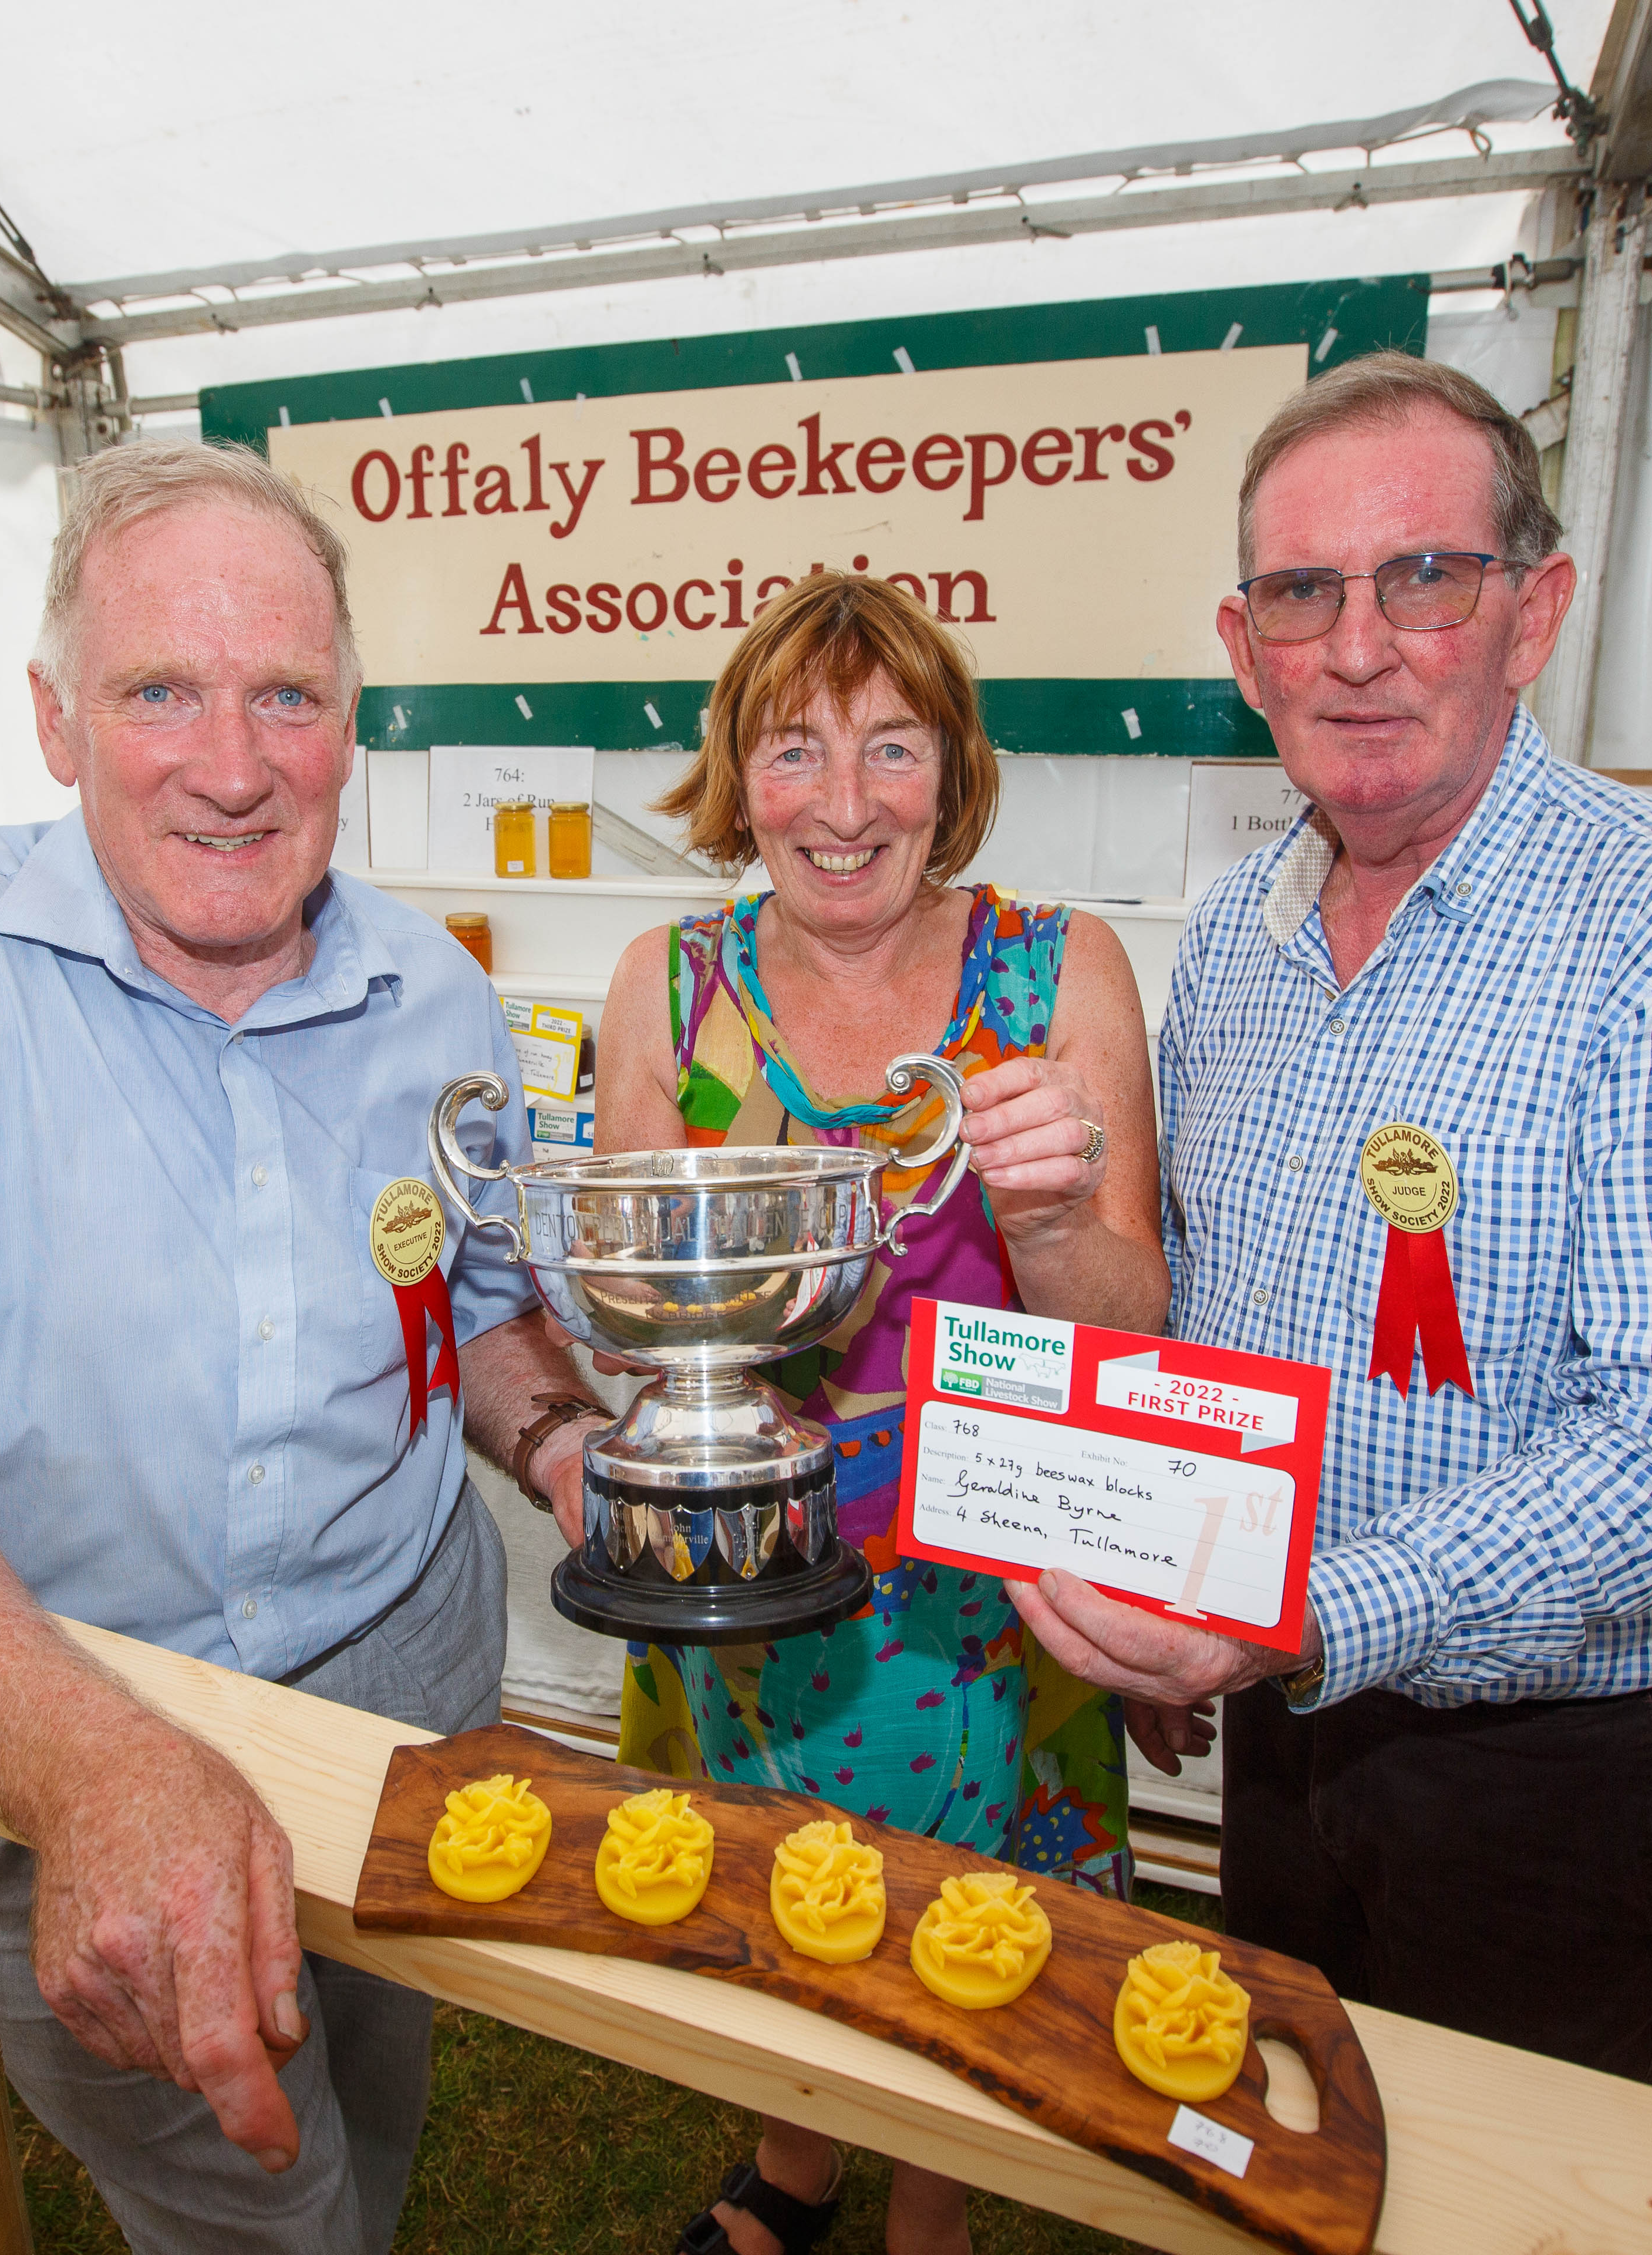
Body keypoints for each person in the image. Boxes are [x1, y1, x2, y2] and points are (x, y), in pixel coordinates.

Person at [0, 439, 612, 2254]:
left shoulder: (437, 994)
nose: (232, 763)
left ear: (352, 723)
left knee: (375, 2103)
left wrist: (558, 1443)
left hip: (403, 1684)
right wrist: (103, 1774)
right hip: (70, 1715)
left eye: (286, 695)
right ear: (55, 721)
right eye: (158, 694)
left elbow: (477, 1305)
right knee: (262, 2210)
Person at [1010, 352, 1652, 2081]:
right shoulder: (1236, 938)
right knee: (1293, 2125)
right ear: (1244, 648)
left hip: (1546, 1759)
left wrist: (1298, 1612)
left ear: (1537, 613)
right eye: (1302, 593)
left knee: (1501, 2185)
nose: (1358, 647)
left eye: (1425, 579)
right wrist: (1177, 1579)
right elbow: (1209, 1317)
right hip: (1282, 1706)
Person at [588, 571, 1171, 2255]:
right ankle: (797, 2162)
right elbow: (632, 1339)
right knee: (776, 1888)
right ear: (738, 777)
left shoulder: (1057, 972)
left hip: (990, 1582)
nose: (843, 805)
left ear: (953, 771)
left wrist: (1048, 1220)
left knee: (973, 1921)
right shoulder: (670, 986)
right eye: (794, 750)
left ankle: (932, 2206)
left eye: (892, 747)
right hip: (754, 1556)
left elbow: (1129, 1330)